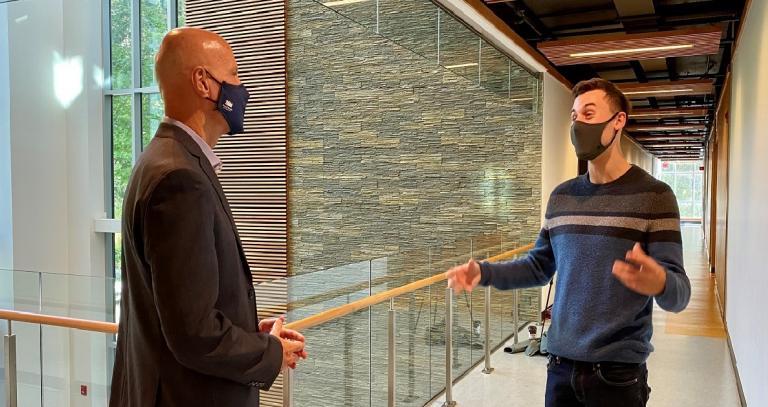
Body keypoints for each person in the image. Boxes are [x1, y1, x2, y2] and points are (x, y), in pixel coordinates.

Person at [447, 78, 691, 407]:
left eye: (589, 114)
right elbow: (538, 267)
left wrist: (660, 281)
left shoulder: (655, 196)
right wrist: (484, 272)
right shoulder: (562, 197)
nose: (578, 124)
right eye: (574, 117)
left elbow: (680, 294)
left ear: (618, 121)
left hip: (617, 375)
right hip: (560, 367)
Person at [109, 27, 306, 407]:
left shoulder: (160, 160)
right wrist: (270, 354)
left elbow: (180, 308)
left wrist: (253, 336)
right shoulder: (180, 178)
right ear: (204, 82)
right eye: (233, 76)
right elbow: (194, 333)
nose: (241, 88)